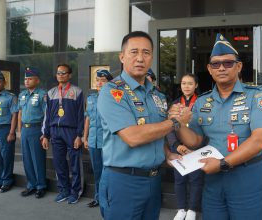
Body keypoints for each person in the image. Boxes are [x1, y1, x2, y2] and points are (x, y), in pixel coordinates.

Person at [169, 33, 262, 219]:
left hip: (247, 177)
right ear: (209, 69)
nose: (221, 68)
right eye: (216, 64)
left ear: (239, 66)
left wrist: (223, 164)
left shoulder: (256, 96)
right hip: (213, 181)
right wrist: (178, 124)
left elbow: (261, 139)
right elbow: (194, 141)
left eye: (228, 63)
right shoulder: (203, 101)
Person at [97, 31, 179, 220]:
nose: (140, 58)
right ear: (122, 57)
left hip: (153, 180)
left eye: (146, 53)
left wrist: (168, 154)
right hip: (124, 181)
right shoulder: (112, 91)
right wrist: (174, 122)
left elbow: (156, 132)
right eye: (134, 52)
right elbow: (133, 137)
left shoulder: (157, 95)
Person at [41, 64, 84, 204]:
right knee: (59, 163)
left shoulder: (77, 92)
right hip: (55, 131)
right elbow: (47, 116)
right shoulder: (51, 93)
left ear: (70, 75)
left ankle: (76, 191)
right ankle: (64, 190)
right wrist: (46, 135)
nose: (60, 75)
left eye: (63, 73)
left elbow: (81, 116)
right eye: (58, 73)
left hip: (71, 131)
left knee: (74, 163)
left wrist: (79, 135)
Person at [168, 74, 203, 220]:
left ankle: (192, 209)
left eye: (190, 83)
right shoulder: (175, 104)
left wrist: (195, 147)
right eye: (183, 83)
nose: (186, 86)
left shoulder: (202, 103)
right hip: (179, 150)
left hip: (196, 149)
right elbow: (169, 128)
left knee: (195, 180)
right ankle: (181, 208)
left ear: (196, 85)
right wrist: (176, 146)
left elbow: (205, 128)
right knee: (180, 179)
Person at [83, 69, 113, 208]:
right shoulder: (91, 98)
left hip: (107, 141)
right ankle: (98, 197)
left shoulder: (113, 98)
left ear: (109, 83)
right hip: (93, 140)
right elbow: (88, 118)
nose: (99, 83)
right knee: (97, 171)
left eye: (103, 80)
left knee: (109, 172)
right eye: (98, 80)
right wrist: (85, 137)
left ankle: (109, 198)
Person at [18, 67, 47, 198]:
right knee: (27, 159)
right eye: (25, 79)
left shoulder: (42, 94)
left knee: (37, 159)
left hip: (36, 129)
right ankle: (31, 184)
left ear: (37, 80)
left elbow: (47, 115)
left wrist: (45, 132)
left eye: (30, 78)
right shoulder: (22, 95)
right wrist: (19, 130)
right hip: (25, 130)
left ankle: (41, 186)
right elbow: (20, 113)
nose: (27, 81)